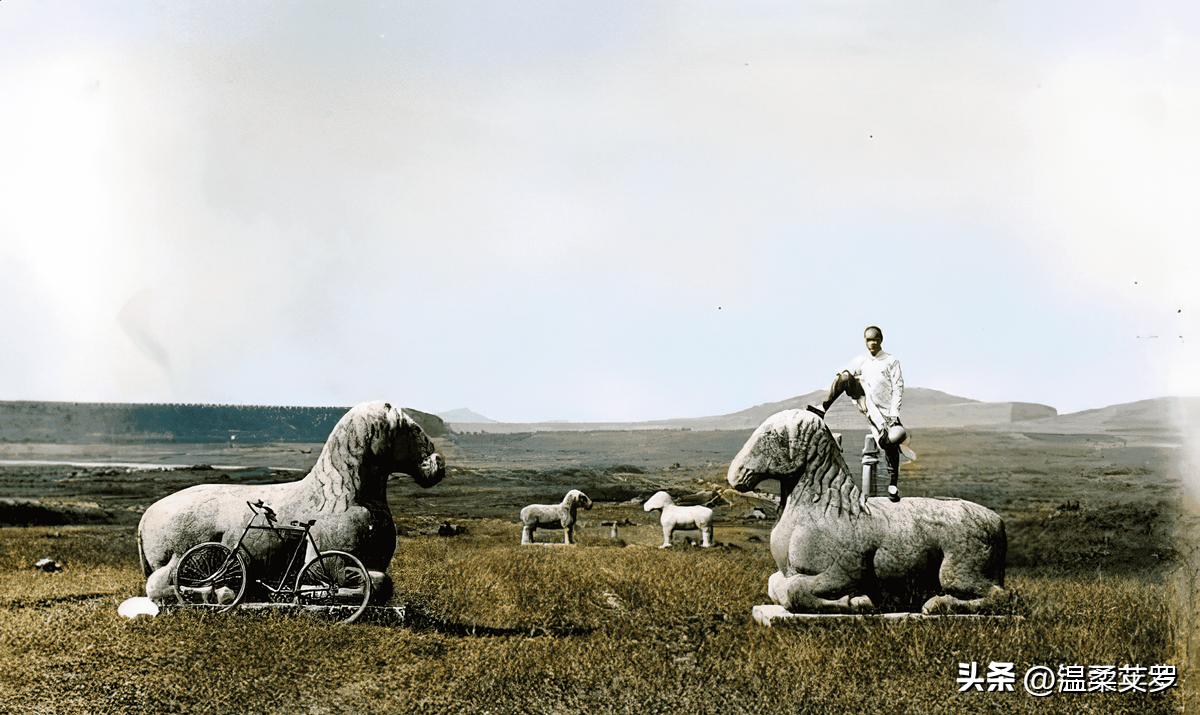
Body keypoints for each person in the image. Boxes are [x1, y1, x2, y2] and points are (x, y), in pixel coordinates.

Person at [807, 325, 906, 501]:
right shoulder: (861, 360)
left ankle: (893, 485)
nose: (872, 343)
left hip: (885, 410)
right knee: (845, 377)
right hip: (865, 399)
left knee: (892, 440)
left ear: (881, 340)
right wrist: (856, 380)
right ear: (865, 341)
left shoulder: (891, 361)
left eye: (875, 339)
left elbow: (898, 388)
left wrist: (893, 414)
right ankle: (823, 408)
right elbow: (842, 376)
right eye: (869, 340)